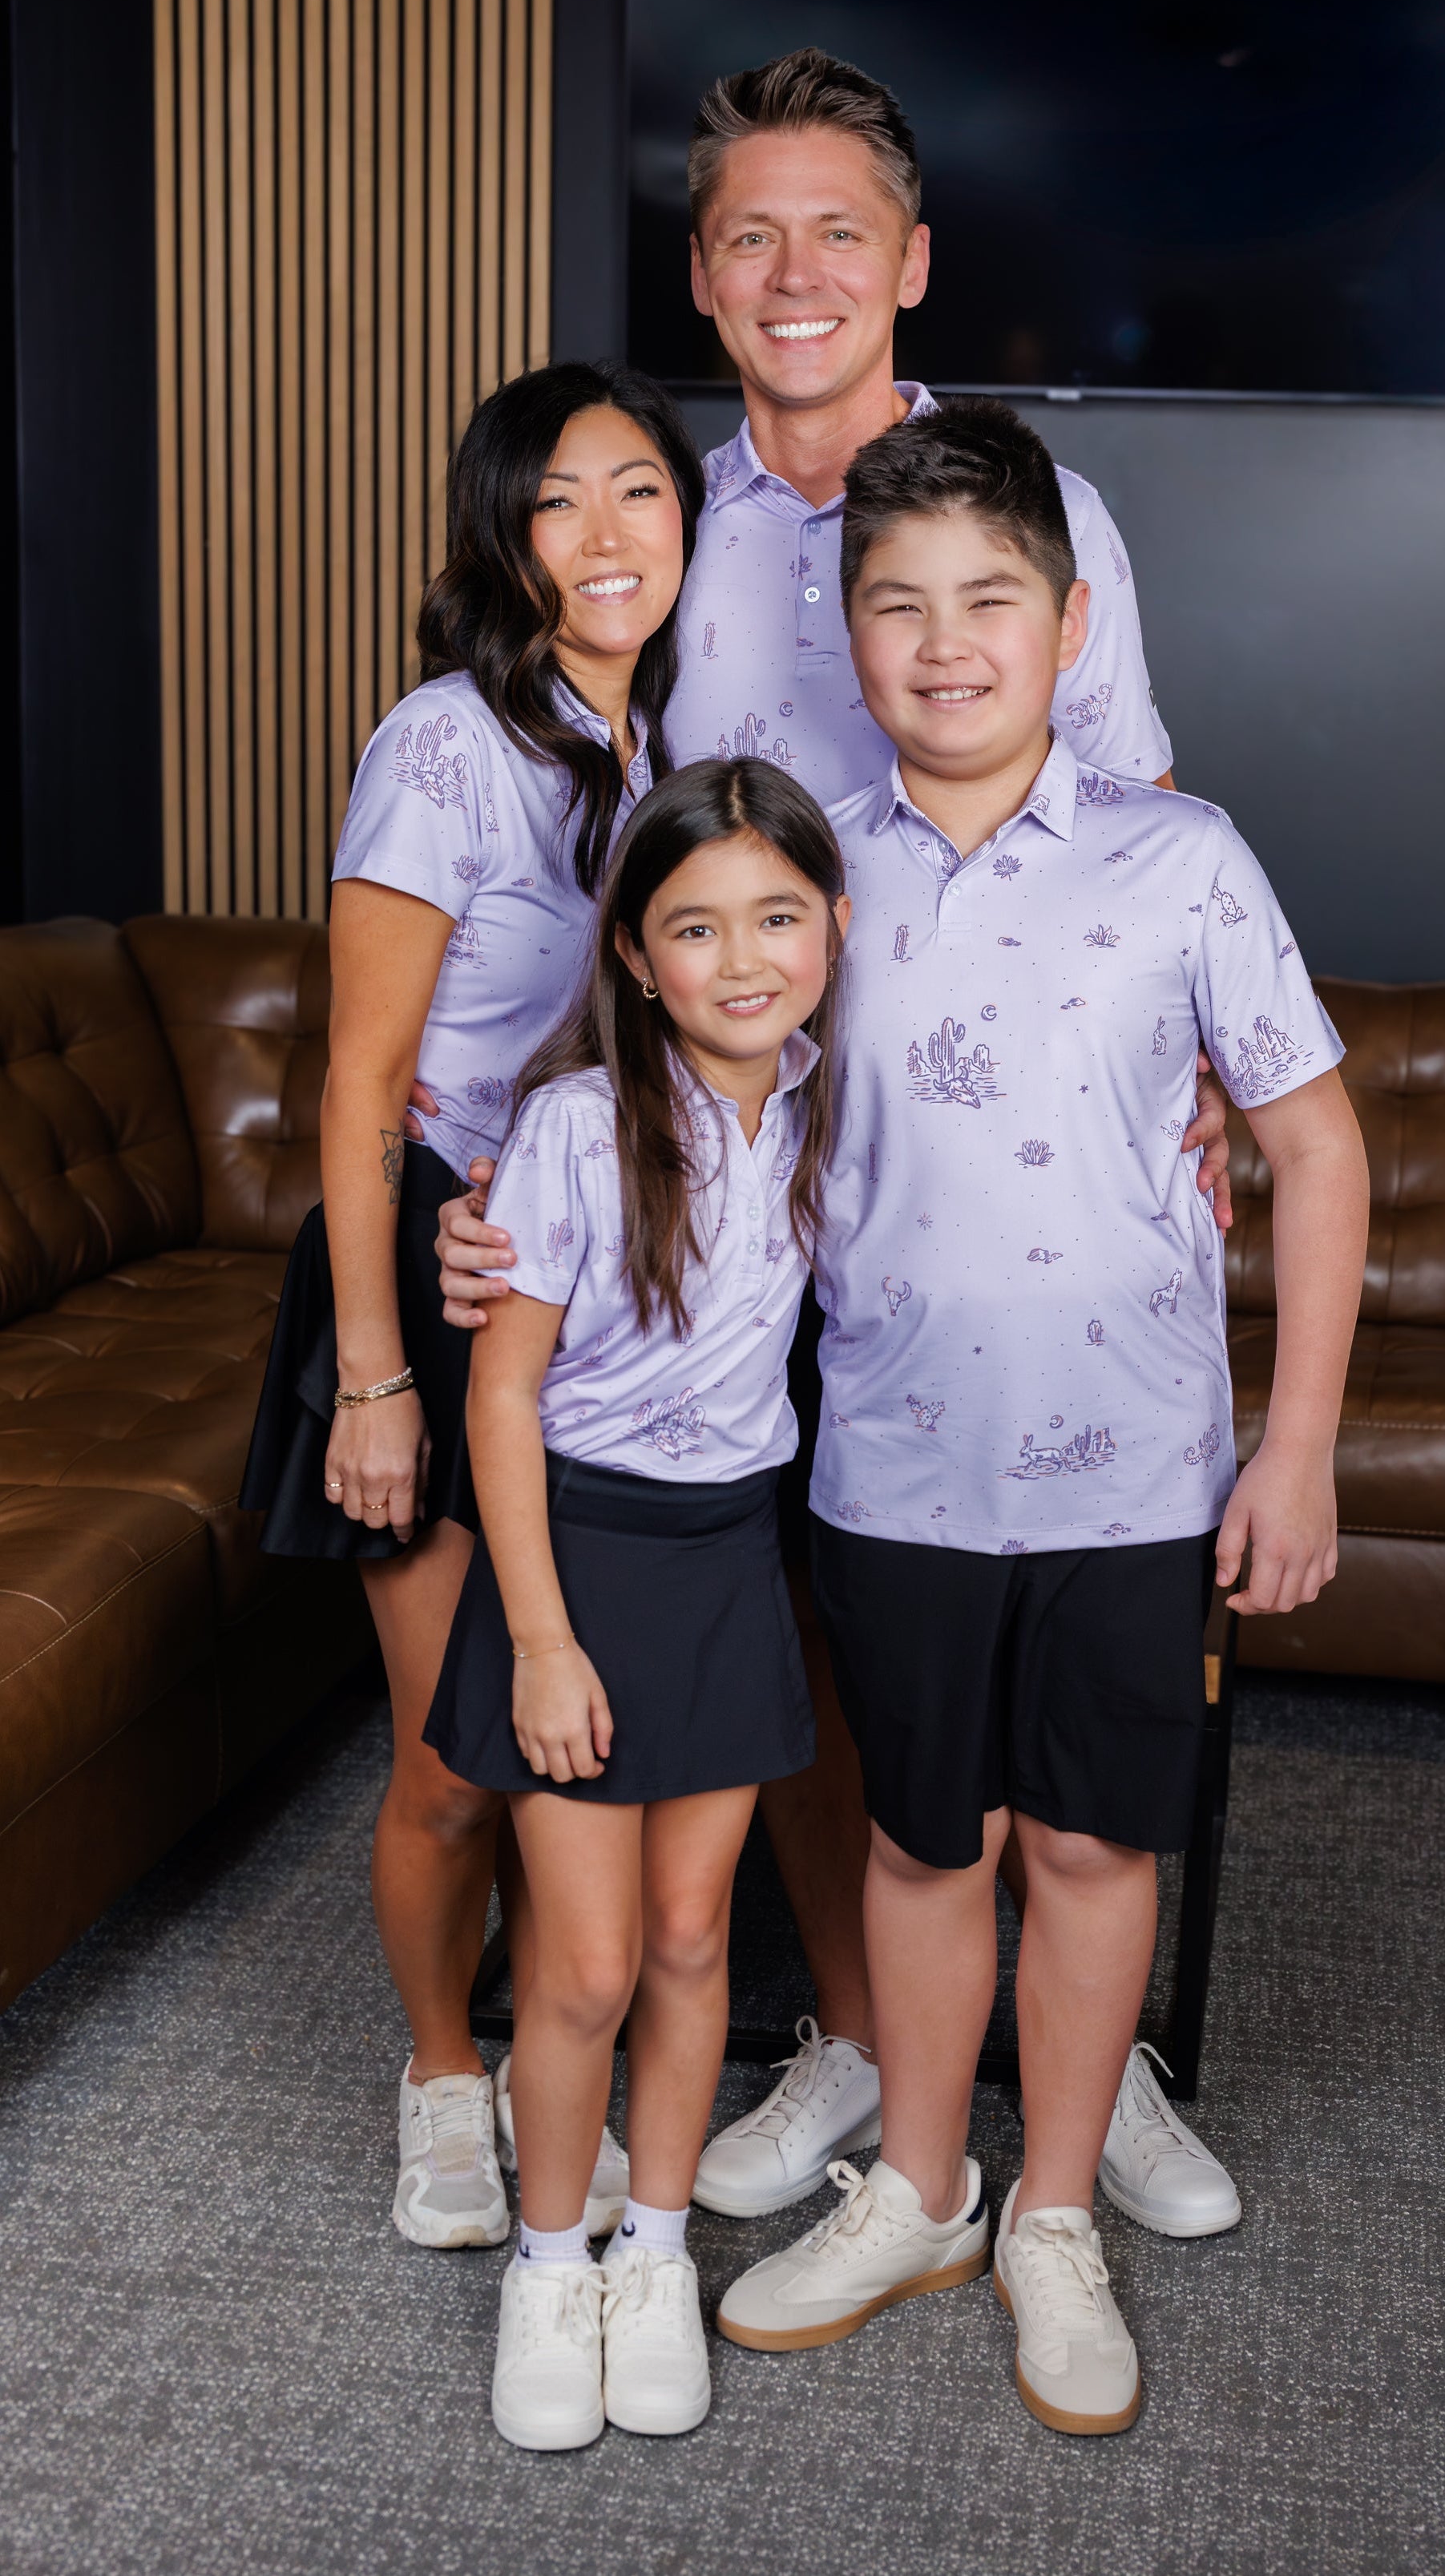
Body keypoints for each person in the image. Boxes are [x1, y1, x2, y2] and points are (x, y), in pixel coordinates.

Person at [427, 49, 1241, 2237]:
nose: (798, 272)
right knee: (806, 1608)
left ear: (912, 261)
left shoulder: (1024, 508)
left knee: (1047, 1659)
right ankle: (876, 2048)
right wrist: (511, 1189)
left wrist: (1202, 1092)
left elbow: (1140, 830)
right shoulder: (664, 531)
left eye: (839, 230)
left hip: (1006, 1200)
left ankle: (1093, 2062)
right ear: (704, 273)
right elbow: (574, 877)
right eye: (751, 234)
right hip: (752, 1188)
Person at [715, 402, 1369, 2429]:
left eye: (988, 598)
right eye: (894, 603)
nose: (940, 641)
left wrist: (1298, 1443)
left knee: (1089, 1847)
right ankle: (921, 2180)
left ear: (1069, 623)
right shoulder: (801, 870)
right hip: (895, 1463)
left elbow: (1315, 1146)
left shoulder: (1185, 859)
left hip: (1135, 1471)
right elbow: (688, 1105)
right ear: (847, 627)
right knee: (925, 1842)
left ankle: (1054, 2210)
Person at [242, 362, 704, 2250]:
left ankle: (550, 2060)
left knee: (560, 1723)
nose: (605, 539)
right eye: (558, 505)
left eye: (640, 495)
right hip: (424, 1263)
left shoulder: (664, 735)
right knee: (449, 1754)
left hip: (592, 1281)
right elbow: (360, 1085)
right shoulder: (442, 742)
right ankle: (445, 2071)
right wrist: (374, 1376)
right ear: (502, 540)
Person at [424, 758, 850, 2448]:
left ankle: (654, 2250)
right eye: (694, 926)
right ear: (632, 949)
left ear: (830, 924)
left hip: (726, 1552)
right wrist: (535, 1633)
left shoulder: (832, 1101)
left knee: (691, 1937)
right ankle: (549, 2263)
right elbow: (501, 1400)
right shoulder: (574, 1129)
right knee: (587, 1967)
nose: (741, 959)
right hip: (577, 1565)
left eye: (776, 915)